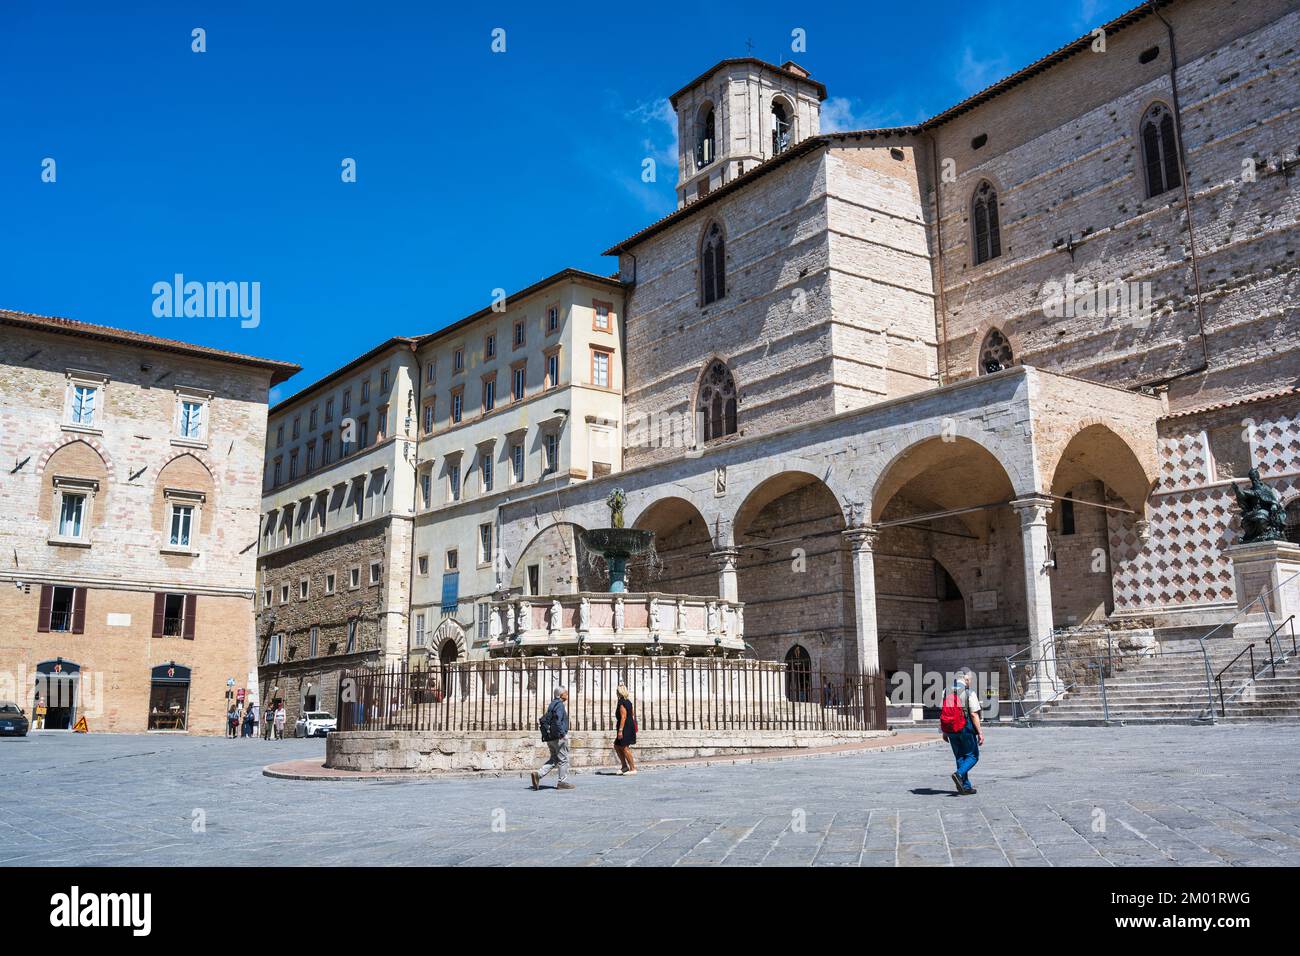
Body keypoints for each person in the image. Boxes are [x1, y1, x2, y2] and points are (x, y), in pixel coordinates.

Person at [940, 669, 984, 795]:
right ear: (966, 679)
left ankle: (965, 786)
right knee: (973, 756)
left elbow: (944, 712)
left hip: (950, 729)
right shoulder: (969, 692)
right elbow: (974, 714)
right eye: (970, 680)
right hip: (965, 727)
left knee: (959, 756)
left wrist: (944, 731)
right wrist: (980, 732)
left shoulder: (945, 691)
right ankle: (958, 774)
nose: (970, 682)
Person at [531, 687, 574, 790]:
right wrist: (562, 734)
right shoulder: (559, 705)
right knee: (563, 760)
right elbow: (558, 721)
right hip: (558, 737)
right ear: (560, 695)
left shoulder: (552, 704)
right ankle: (562, 782)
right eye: (565, 693)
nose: (567, 694)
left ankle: (538, 774)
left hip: (550, 737)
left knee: (554, 759)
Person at [614, 683, 637, 775]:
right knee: (617, 745)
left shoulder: (622, 702)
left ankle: (632, 768)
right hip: (629, 725)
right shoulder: (629, 702)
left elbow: (623, 717)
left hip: (625, 727)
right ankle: (624, 766)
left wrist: (620, 730)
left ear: (619, 692)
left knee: (625, 747)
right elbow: (632, 714)